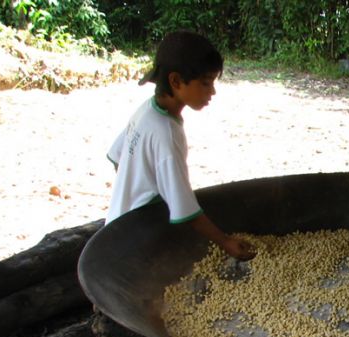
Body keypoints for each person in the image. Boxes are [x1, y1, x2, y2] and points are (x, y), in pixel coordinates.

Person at [106, 30, 256, 260]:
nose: (212, 92)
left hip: (115, 225)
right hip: (136, 240)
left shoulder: (145, 111)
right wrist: (226, 242)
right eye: (205, 83)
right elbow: (184, 207)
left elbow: (118, 158)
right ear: (175, 81)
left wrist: (139, 188)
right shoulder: (166, 133)